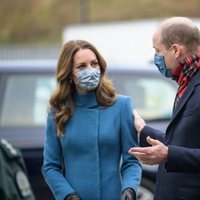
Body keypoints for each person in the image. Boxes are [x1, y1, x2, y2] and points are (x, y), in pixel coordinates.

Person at [41, 40, 142, 200]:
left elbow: (132, 161)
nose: (90, 70)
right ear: (69, 74)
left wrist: (129, 188)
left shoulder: (121, 106)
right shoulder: (58, 111)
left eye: (94, 64)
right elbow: (50, 166)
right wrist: (67, 195)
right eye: (81, 66)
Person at [129, 17, 200, 200]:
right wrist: (142, 131)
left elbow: (176, 151)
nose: (156, 58)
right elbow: (185, 141)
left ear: (175, 50)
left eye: (157, 50)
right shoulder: (187, 81)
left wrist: (169, 154)